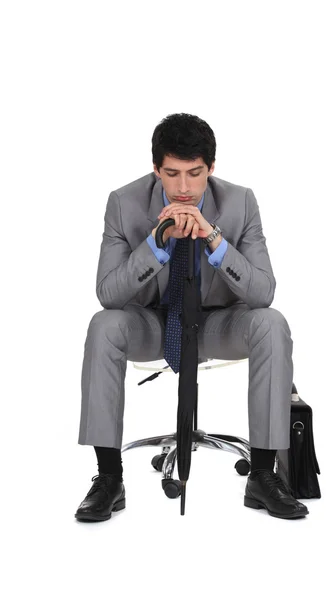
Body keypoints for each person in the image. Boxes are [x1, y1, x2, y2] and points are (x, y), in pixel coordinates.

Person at [75, 112, 309, 522]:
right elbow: (108, 295)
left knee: (272, 323)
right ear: (155, 170)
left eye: (195, 173)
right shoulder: (123, 203)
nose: (183, 187)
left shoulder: (241, 202)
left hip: (219, 325)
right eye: (172, 173)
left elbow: (262, 293)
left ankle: (263, 476)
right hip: (153, 323)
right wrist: (157, 242)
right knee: (103, 326)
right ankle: (109, 478)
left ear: (211, 169)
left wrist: (212, 237)